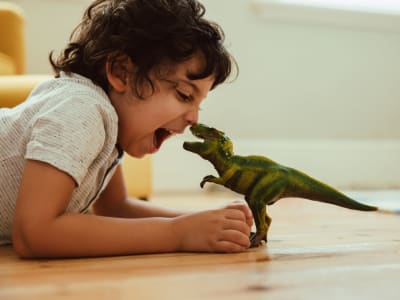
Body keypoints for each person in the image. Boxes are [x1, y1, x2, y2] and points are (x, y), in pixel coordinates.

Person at [0, 0, 253, 258]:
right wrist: (177, 233)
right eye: (184, 95)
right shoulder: (82, 110)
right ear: (121, 73)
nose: (194, 119)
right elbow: (34, 233)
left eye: (200, 104)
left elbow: (116, 208)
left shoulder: (106, 126)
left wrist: (200, 222)